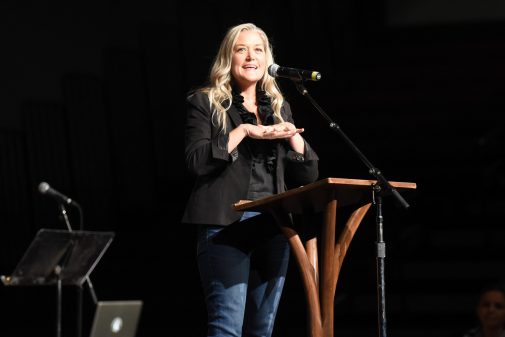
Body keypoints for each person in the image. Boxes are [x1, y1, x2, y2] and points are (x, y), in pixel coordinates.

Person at [181, 22, 319, 337]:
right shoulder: (205, 102)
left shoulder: (279, 106)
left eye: (258, 49)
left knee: (263, 330)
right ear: (228, 58)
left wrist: (293, 138)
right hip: (226, 225)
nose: (250, 56)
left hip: (274, 227)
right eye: (241, 49)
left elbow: (308, 174)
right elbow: (196, 162)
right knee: (227, 327)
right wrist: (244, 131)